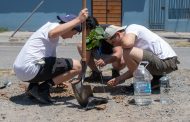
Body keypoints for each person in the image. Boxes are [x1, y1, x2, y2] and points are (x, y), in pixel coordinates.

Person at [13, 8, 88, 104]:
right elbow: (53, 33)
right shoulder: (53, 28)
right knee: (77, 66)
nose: (72, 36)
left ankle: (33, 88)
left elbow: (52, 63)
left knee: (45, 61)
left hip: (21, 70)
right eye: (74, 33)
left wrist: (59, 78)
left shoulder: (47, 28)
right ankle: (43, 90)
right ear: (69, 27)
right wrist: (78, 20)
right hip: (30, 69)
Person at [104, 24, 180, 89]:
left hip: (166, 62)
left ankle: (141, 84)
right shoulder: (132, 38)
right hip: (165, 64)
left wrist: (122, 48)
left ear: (118, 34)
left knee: (127, 51)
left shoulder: (131, 28)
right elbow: (135, 70)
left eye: (113, 42)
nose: (114, 45)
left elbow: (127, 44)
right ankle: (157, 80)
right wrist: (118, 79)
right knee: (131, 55)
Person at [77, 17, 126, 82]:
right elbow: (86, 58)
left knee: (122, 60)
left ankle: (116, 72)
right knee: (81, 45)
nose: (84, 34)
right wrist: (80, 77)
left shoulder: (109, 31)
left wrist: (106, 60)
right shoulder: (90, 36)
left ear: (92, 29)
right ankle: (96, 73)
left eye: (86, 32)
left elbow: (118, 53)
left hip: (112, 56)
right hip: (100, 54)